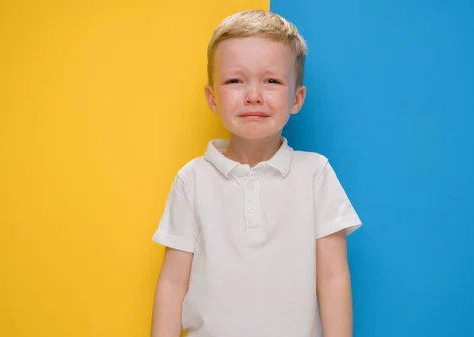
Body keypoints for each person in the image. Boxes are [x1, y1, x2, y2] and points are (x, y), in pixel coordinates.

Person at [150, 9, 362, 337]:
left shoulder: (315, 174)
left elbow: (333, 277)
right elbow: (173, 283)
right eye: (235, 80)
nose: (253, 95)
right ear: (212, 98)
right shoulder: (192, 179)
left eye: (272, 81)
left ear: (297, 98)